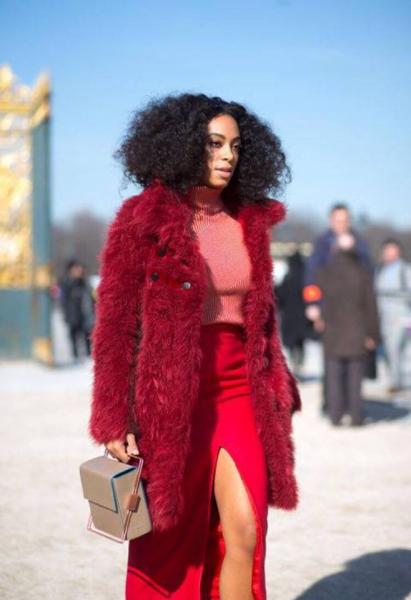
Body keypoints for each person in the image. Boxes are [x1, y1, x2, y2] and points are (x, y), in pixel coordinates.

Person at [88, 93, 301, 600]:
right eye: (214, 144)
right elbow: (115, 324)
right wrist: (113, 416)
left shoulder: (248, 222)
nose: (228, 156)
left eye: (236, 146)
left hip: (239, 391)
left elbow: (262, 319)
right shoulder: (143, 218)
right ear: (184, 147)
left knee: (245, 530)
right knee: (172, 541)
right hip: (169, 396)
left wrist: (279, 380)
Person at [315, 233, 379, 426]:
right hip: (357, 331)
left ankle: (335, 415)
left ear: (334, 249)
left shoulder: (324, 273)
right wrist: (373, 333)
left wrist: (318, 319)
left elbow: (316, 300)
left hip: (332, 331)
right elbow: (371, 306)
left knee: (333, 375)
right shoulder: (362, 273)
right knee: (355, 377)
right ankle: (356, 415)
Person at [375, 238, 411, 393]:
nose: (389, 253)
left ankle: (398, 382)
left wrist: (390, 295)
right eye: (386, 250)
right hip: (383, 317)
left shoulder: (405, 270)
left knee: (398, 349)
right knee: (388, 351)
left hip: (401, 316)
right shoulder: (380, 269)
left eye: (392, 250)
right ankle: (394, 379)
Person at [276, 250, 310, 377]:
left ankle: (295, 365)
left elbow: (280, 297)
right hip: (302, 317)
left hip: (289, 318)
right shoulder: (306, 279)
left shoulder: (287, 278)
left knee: (291, 344)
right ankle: (299, 364)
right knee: (300, 343)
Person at [60, 260, 95, 361]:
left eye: (79, 269)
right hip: (73, 314)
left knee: (87, 335)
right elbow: (64, 298)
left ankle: (88, 355)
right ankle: (75, 356)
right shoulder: (67, 282)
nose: (78, 271)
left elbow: (91, 296)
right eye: (76, 269)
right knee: (73, 335)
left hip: (85, 314)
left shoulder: (85, 282)